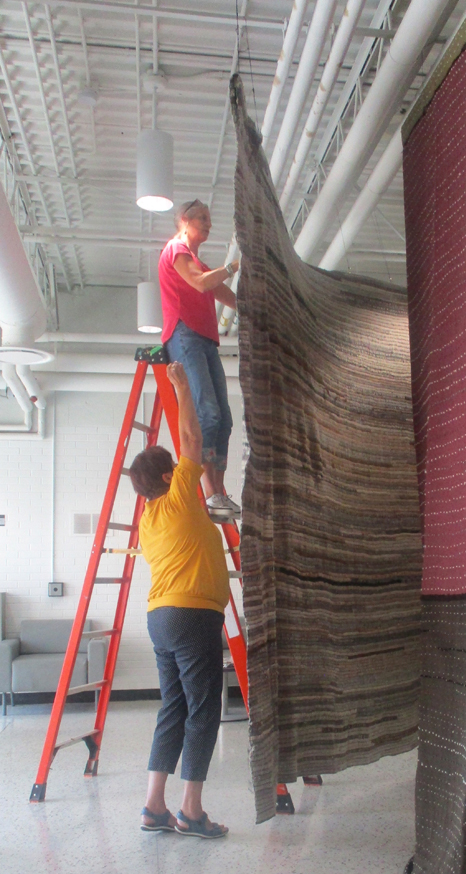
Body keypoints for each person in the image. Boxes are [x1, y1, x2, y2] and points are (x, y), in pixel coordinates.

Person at [130, 361, 230, 839]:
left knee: (173, 706)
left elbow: (184, 453)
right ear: (171, 477)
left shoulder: (150, 516)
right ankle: (191, 810)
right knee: (204, 707)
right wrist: (183, 387)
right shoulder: (177, 499)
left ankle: (153, 806)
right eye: (176, 469)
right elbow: (192, 439)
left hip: (159, 617)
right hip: (192, 616)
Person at [158, 198, 241, 516]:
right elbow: (200, 282)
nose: (208, 223)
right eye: (201, 218)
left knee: (224, 419)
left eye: (209, 218)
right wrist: (234, 266)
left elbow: (218, 291)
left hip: (204, 340)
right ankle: (209, 493)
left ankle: (217, 492)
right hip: (185, 335)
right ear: (183, 220)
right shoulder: (176, 250)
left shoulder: (197, 260)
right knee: (207, 412)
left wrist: (250, 306)